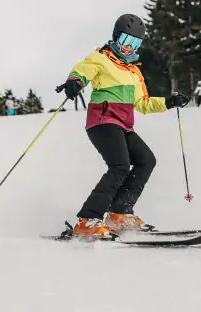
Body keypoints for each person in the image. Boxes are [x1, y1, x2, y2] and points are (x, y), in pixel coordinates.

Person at [55, 13, 190, 240]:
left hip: (124, 125)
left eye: (135, 43)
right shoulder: (101, 57)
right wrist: (75, 81)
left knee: (146, 160)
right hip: (102, 121)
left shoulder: (134, 72)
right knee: (120, 165)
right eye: (126, 41)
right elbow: (83, 69)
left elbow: (143, 104)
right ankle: (88, 219)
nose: (129, 48)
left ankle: (119, 212)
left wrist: (169, 102)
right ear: (116, 38)